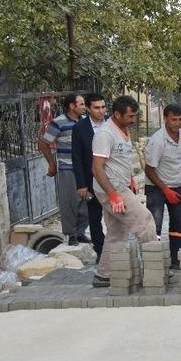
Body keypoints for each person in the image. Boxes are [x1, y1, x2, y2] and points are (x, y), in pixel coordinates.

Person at [91, 96, 158, 287]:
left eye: (135, 115)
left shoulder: (124, 130)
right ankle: (154, 270)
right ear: (117, 114)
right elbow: (97, 168)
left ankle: (104, 275)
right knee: (145, 221)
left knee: (116, 231)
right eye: (130, 116)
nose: (133, 120)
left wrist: (130, 179)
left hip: (121, 186)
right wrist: (113, 195)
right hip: (111, 189)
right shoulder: (105, 134)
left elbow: (120, 160)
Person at [143, 104, 181, 270]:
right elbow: (149, 170)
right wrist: (165, 190)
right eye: (173, 119)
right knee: (155, 225)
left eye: (180, 119)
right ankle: (153, 264)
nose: (177, 123)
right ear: (165, 118)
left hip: (177, 185)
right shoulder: (157, 141)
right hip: (156, 188)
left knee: (180, 224)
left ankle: (176, 259)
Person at [38, 93, 89, 246]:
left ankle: (81, 232)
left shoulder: (85, 121)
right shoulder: (58, 123)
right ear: (72, 106)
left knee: (86, 202)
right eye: (81, 104)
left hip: (85, 168)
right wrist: (52, 164)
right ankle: (71, 234)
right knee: (70, 202)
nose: (84, 107)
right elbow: (43, 143)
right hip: (68, 168)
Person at [71, 93, 106, 263]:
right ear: (88, 109)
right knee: (94, 216)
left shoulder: (112, 124)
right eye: (96, 108)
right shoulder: (80, 128)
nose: (101, 111)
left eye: (103, 107)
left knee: (117, 215)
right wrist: (81, 184)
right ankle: (100, 250)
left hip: (113, 178)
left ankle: (117, 248)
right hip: (91, 179)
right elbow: (77, 158)